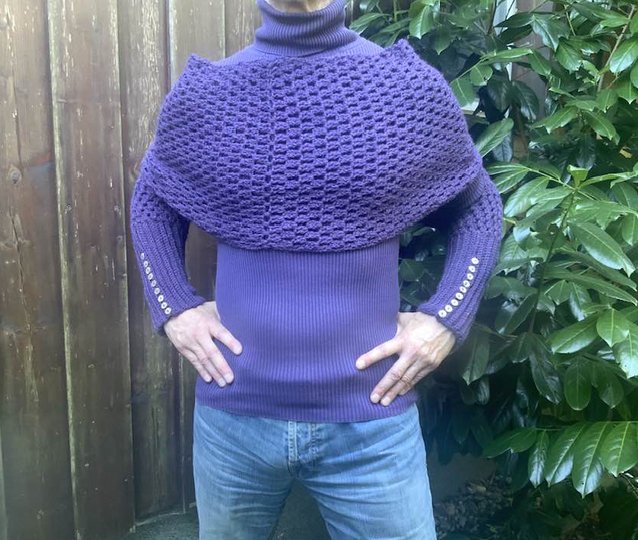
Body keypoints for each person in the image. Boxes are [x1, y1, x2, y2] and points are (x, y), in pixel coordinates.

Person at [128, 0, 504, 538]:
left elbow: (476, 208)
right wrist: (174, 308)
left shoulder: (402, 88)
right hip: (235, 418)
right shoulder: (210, 95)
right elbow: (152, 203)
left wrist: (446, 318)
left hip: (372, 423)